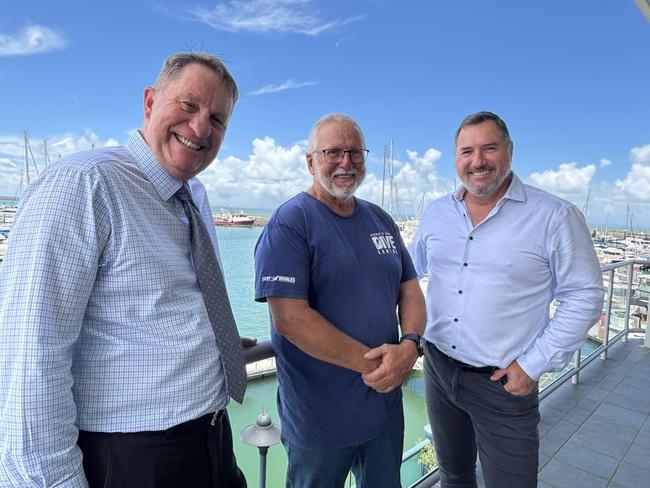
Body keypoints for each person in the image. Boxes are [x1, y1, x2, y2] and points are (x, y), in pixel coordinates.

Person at [0, 52, 249, 487]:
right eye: (188, 105)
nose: (200, 128)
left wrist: (214, 339)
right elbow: (29, 358)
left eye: (218, 119)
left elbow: (165, 299)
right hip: (133, 454)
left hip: (212, 437)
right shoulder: (83, 183)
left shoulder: (196, 195)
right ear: (150, 102)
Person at [409, 111, 604, 488]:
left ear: (510, 152)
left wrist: (533, 364)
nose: (477, 160)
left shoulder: (554, 215)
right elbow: (405, 273)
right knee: (454, 476)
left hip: (502, 384)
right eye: (467, 151)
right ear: (456, 158)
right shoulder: (436, 212)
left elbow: (584, 295)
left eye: (489, 148)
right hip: (437, 368)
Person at [254, 113, 426, 487]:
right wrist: (378, 367)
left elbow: (409, 289)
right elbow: (290, 319)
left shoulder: (380, 219)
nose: (346, 162)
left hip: (383, 410)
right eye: (333, 152)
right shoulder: (290, 222)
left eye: (355, 152)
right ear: (311, 161)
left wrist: (410, 345)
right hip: (320, 422)